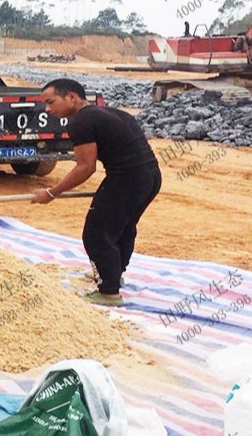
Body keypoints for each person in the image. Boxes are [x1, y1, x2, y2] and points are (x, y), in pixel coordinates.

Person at [31, 78, 161, 307]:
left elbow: (86, 167)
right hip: (150, 177)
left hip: (127, 179)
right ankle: (113, 274)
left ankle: (109, 292)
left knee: (96, 234)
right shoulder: (112, 113)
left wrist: (51, 193)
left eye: (51, 102)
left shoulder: (81, 122)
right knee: (122, 228)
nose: (48, 109)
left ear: (72, 97)